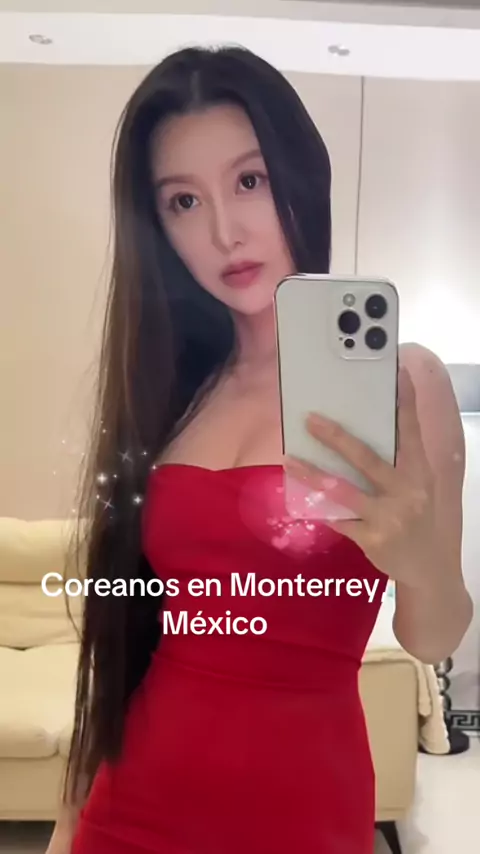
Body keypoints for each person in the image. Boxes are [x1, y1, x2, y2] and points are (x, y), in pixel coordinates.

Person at [46, 45, 472, 854]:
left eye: (250, 181)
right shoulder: (172, 390)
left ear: (300, 175)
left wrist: (421, 564)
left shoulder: (405, 382)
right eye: (183, 201)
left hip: (301, 812)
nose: (224, 231)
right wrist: (69, 824)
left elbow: (434, 637)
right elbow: (123, 645)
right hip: (130, 806)